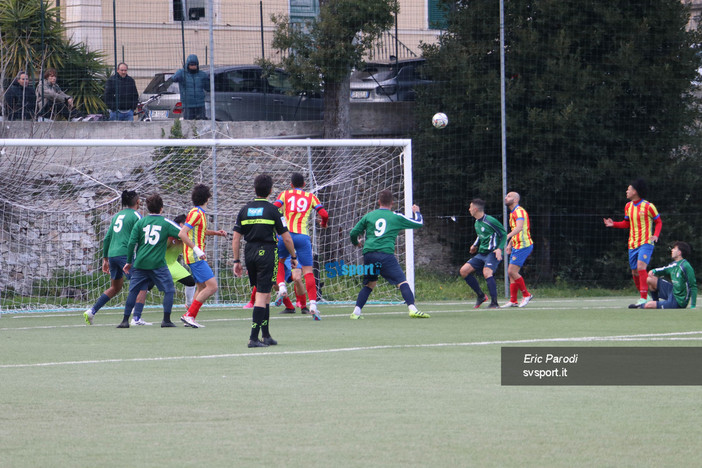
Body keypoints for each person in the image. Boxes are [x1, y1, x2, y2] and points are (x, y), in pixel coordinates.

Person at [232, 174, 297, 348]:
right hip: (267, 252)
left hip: (249, 252)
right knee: (262, 295)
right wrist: (293, 256)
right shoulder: (273, 210)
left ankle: (266, 335)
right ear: (270, 191)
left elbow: (236, 238)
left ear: (255, 189)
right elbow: (287, 237)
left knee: (266, 293)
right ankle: (253, 338)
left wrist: (236, 261)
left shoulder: (244, 210)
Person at [349, 189, 428, 319]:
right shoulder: (395, 217)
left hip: (369, 255)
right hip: (385, 254)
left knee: (370, 284)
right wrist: (417, 212)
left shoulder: (369, 216)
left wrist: (356, 243)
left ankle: (356, 312)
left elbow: (353, 233)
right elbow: (418, 223)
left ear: (378, 202)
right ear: (392, 203)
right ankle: (412, 309)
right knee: (402, 282)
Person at [84, 190, 149, 325]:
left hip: (113, 255)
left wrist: (105, 259)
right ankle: (136, 318)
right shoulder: (137, 215)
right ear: (137, 202)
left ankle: (91, 311)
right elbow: (144, 235)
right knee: (142, 284)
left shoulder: (116, 216)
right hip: (125, 254)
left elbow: (107, 238)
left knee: (116, 287)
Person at [119, 194, 183, 328]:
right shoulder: (165, 222)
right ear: (161, 208)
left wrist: (129, 261)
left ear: (147, 208)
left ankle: (125, 320)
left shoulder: (140, 222)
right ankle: (166, 320)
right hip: (157, 264)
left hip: (141, 263)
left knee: (133, 290)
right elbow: (182, 232)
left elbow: (131, 243)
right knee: (169, 290)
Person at [272, 172, 329, 320]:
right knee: (308, 271)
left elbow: (274, 208)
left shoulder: (285, 194)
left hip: (286, 235)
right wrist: (323, 223)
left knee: (280, 262)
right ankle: (312, 306)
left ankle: (282, 288)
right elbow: (324, 213)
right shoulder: (311, 197)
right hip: (302, 237)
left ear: (291, 184)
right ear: (304, 185)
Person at [603, 178, 662, 306]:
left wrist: (655, 235)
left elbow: (659, 222)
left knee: (641, 267)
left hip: (646, 242)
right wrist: (613, 224)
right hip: (632, 244)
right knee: (634, 271)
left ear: (635, 191)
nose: (626, 191)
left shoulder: (648, 206)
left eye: (628, 189)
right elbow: (626, 223)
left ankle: (643, 298)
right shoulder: (628, 206)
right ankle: (645, 294)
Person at [178, 184, 227, 328]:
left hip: (194, 256)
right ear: (207, 198)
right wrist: (197, 249)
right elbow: (182, 233)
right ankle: (189, 315)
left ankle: (189, 317)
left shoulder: (199, 213)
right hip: (195, 257)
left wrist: (216, 233)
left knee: (200, 288)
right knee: (212, 287)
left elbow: (200, 232)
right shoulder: (196, 213)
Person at [460, 198, 507, 309]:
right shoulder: (477, 222)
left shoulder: (490, 220)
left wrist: (500, 249)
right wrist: (475, 245)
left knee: (487, 273)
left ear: (475, 209)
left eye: (470, 207)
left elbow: (503, 234)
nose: (469, 209)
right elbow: (481, 235)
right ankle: (481, 296)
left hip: (493, 252)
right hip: (482, 253)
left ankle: (494, 303)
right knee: (464, 271)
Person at [629, 241, 697, 310]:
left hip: (678, 301)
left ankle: (642, 306)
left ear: (679, 253)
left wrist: (693, 306)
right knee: (650, 279)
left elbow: (693, 286)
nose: (672, 250)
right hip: (672, 291)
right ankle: (655, 301)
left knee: (648, 305)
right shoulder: (674, 264)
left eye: (674, 249)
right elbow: (664, 269)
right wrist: (653, 271)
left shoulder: (686, 266)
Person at [501, 192, 534, 308]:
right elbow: (516, 230)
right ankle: (513, 300)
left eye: (509, 196)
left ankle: (526, 294)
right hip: (516, 245)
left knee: (512, 271)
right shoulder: (512, 212)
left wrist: (506, 236)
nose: (506, 198)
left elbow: (519, 228)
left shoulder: (519, 211)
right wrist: (510, 244)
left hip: (523, 245)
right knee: (511, 274)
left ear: (515, 199)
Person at [167, 214, 197, 311]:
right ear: (181, 225)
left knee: (191, 282)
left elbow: (202, 232)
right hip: (160, 264)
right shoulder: (169, 236)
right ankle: (135, 306)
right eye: (187, 224)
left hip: (173, 264)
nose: (189, 227)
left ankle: (189, 304)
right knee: (147, 286)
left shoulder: (183, 236)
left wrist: (216, 233)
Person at [172, 54, 209, 120]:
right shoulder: (182, 73)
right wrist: (180, 72)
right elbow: (174, 79)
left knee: (201, 123)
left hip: (200, 104)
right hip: (188, 105)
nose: (193, 66)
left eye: (194, 65)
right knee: (189, 123)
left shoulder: (202, 75)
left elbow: (207, 87)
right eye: (191, 65)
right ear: (187, 65)